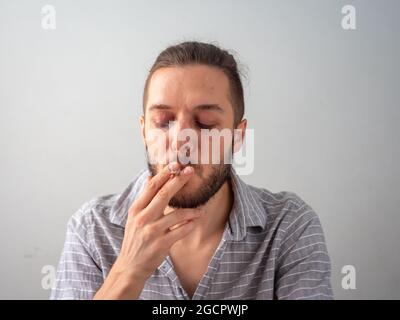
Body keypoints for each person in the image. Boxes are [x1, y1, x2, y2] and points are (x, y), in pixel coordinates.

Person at [51, 41, 333, 300]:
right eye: (163, 121)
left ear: (237, 136)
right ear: (144, 131)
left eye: (206, 123)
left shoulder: (289, 225)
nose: (182, 141)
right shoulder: (91, 229)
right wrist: (128, 271)